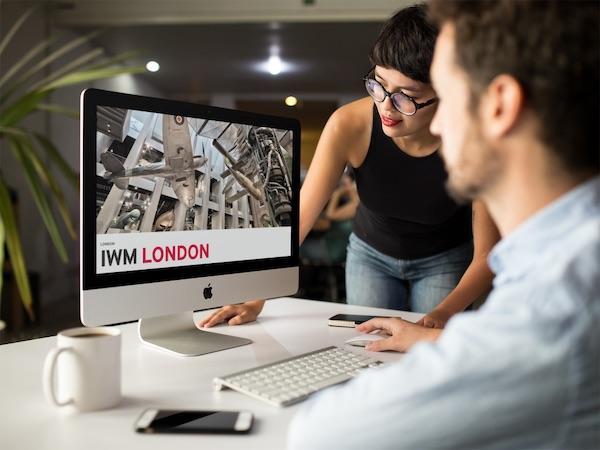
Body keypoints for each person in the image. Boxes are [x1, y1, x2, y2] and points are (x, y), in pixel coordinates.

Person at [287, 1, 600, 448]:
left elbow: (320, 435)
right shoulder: (569, 257)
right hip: (374, 251)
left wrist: (442, 332)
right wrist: (431, 342)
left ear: (500, 105)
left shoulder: (553, 309)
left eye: (447, 95)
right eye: (379, 87)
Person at [199, 4, 500, 332]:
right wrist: (256, 292)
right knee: (366, 349)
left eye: (406, 97)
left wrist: (441, 318)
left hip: (444, 259)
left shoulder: (473, 139)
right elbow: (300, 217)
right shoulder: (349, 125)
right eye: (379, 84)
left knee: (426, 357)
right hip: (371, 253)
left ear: (446, 94)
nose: (386, 106)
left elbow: (487, 254)